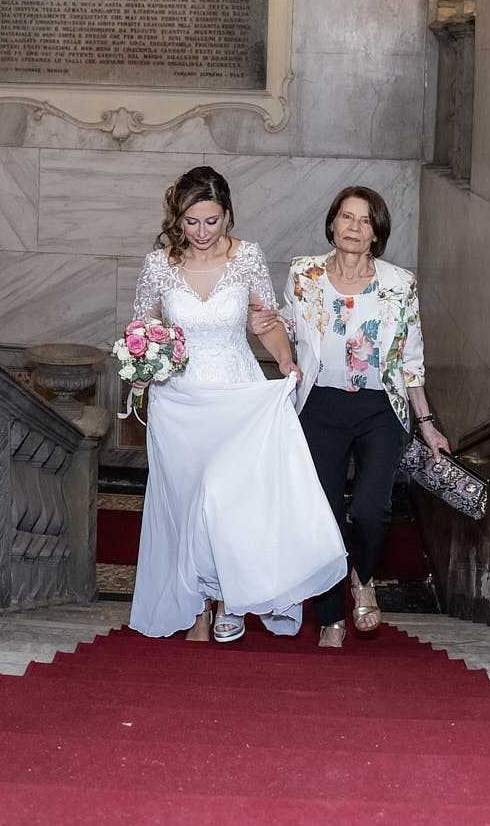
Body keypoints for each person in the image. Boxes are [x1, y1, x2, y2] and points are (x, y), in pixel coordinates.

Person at [127, 166, 347, 642]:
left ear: (227, 216)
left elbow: (264, 321)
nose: (202, 232)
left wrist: (286, 361)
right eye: (191, 222)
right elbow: (143, 329)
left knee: (224, 496)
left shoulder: (247, 257)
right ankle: (198, 607)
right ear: (177, 219)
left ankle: (228, 597)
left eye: (211, 221)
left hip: (235, 392)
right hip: (179, 403)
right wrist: (143, 364)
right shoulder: (158, 265)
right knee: (188, 502)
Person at [252, 185, 449, 649]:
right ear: (332, 223)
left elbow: (410, 359)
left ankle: (362, 578)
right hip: (320, 405)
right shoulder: (305, 274)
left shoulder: (400, 283)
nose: (354, 227)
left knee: (369, 508)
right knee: (323, 513)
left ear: (377, 232)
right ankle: (329, 617)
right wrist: (270, 329)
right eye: (347, 217)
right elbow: (288, 325)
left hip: (380, 407)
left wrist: (427, 423)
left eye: (365, 220)